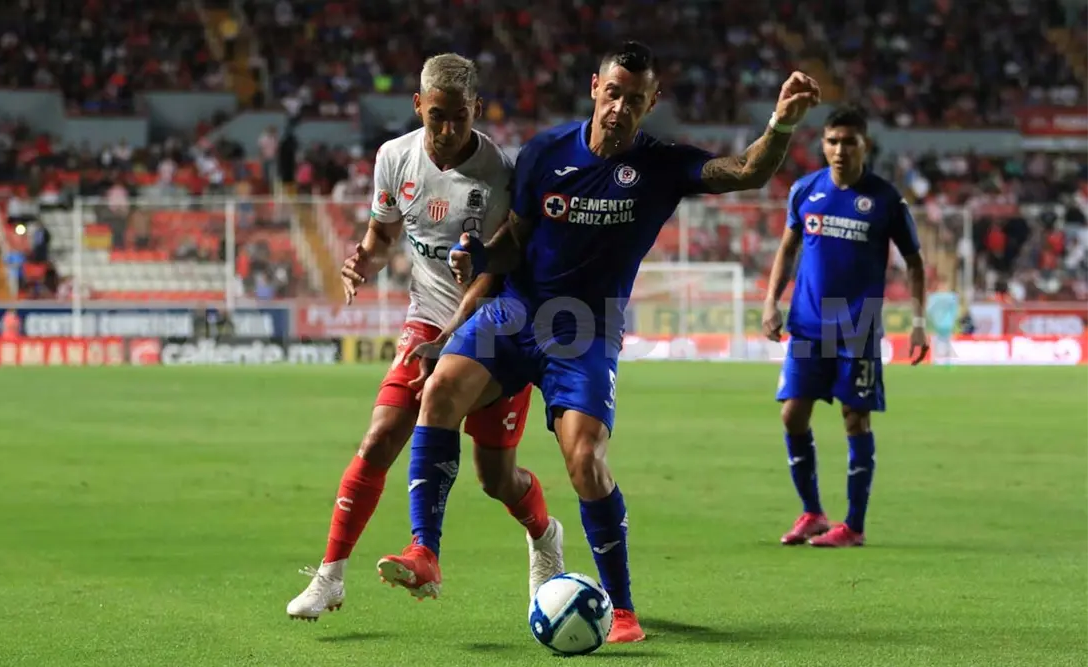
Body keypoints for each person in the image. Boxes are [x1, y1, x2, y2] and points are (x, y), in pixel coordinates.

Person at [376, 41, 819, 643]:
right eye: (613, 93)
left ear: (651, 103)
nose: (620, 108)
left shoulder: (660, 165)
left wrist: (782, 123)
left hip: (584, 329)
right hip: (516, 311)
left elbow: (746, 171)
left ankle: (623, 609)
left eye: (635, 99)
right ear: (594, 88)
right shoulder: (544, 153)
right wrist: (480, 258)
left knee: (585, 459)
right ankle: (424, 551)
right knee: (441, 391)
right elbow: (516, 241)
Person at [286, 53, 564, 621]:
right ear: (418, 106)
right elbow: (383, 234)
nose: (448, 129)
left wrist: (454, 335)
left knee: (496, 479)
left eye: (460, 117)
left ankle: (544, 534)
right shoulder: (394, 158)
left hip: (490, 325)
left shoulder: (501, 173)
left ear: (477, 110)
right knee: (380, 435)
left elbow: (495, 272)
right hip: (425, 318)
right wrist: (363, 261)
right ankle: (330, 577)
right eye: (437, 116)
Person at [762, 105, 928, 548]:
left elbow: (914, 262)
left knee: (855, 419)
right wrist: (771, 301)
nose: (839, 150)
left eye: (848, 142)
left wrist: (918, 322)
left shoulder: (886, 200)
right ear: (823, 144)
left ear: (864, 145)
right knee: (792, 413)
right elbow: (787, 248)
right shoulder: (805, 190)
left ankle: (853, 526)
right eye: (832, 141)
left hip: (858, 325)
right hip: (808, 323)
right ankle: (813, 513)